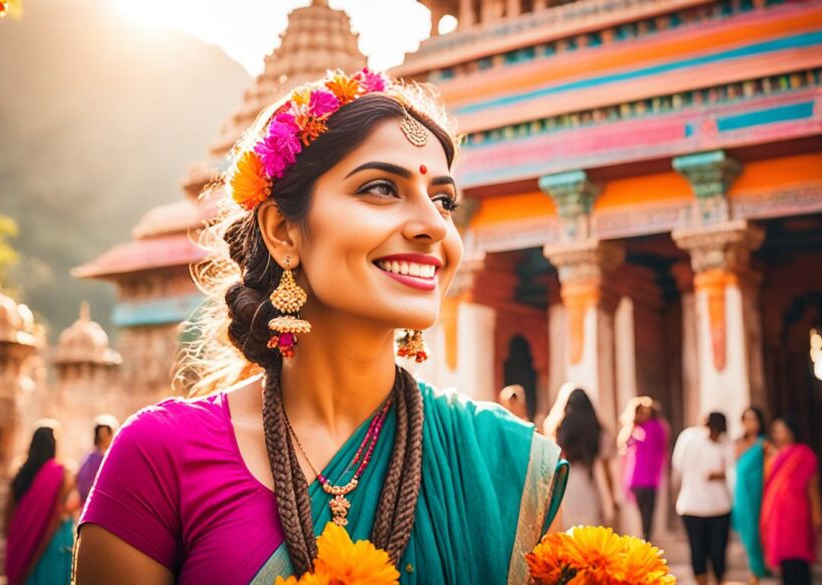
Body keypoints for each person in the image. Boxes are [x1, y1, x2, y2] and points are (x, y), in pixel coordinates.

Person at [73, 69, 568, 584]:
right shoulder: (161, 458)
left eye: (443, 200)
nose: (434, 225)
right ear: (283, 231)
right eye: (381, 189)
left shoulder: (505, 463)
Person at [4, 422, 79, 585]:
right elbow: (66, 508)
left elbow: (9, 512)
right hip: (52, 543)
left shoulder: (19, 470)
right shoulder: (62, 473)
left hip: (21, 539)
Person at [544, 384, 618, 527]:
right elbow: (606, 464)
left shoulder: (559, 427)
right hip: (591, 482)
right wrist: (612, 495)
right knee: (590, 534)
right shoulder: (597, 428)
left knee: (570, 534)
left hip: (567, 484)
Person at [761, 417, 822, 585]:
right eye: (775, 431)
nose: (777, 435)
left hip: (798, 512)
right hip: (778, 515)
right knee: (785, 561)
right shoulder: (774, 456)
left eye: (781, 430)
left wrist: (817, 514)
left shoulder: (804, 454)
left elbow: (812, 486)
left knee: (799, 559)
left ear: (792, 432)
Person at [673, 412, 733, 585]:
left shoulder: (724, 444)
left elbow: (732, 471)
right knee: (698, 550)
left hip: (718, 507)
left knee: (718, 552)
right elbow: (679, 465)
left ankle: (719, 579)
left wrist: (719, 475)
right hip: (692, 506)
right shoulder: (689, 439)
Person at [618, 395, 667, 541]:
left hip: (644, 480)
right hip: (642, 480)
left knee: (645, 518)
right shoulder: (637, 430)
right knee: (645, 518)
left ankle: (645, 542)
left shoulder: (651, 429)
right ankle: (645, 542)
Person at [733, 406, 769, 584]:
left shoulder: (764, 443)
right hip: (741, 489)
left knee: (758, 527)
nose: (750, 423)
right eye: (746, 419)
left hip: (758, 489)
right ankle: (754, 568)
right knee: (746, 528)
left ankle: (760, 567)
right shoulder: (737, 442)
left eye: (753, 419)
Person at [75, 415, 118, 503]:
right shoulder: (92, 459)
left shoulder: (90, 457)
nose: (104, 438)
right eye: (102, 435)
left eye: (106, 435)